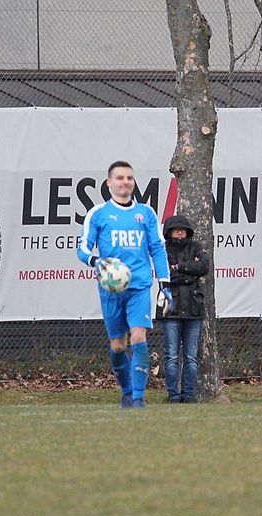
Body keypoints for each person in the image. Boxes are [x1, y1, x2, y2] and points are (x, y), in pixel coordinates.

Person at [77, 161, 171, 408]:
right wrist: (95, 261)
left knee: (139, 338)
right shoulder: (98, 214)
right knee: (118, 346)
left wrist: (165, 284)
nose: (125, 182)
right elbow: (83, 248)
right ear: (109, 183)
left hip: (139, 285)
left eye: (129, 178)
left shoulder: (146, 213)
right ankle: (127, 393)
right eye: (120, 178)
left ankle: (138, 398)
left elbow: (157, 248)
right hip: (111, 288)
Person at [158, 215, 208, 403]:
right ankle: (173, 395)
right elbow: (166, 275)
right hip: (170, 308)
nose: (180, 232)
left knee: (191, 357)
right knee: (171, 356)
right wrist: (190, 272)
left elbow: (203, 266)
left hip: (194, 309)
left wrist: (180, 267)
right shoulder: (163, 250)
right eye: (176, 229)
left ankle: (188, 395)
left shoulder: (196, 247)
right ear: (169, 231)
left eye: (183, 229)